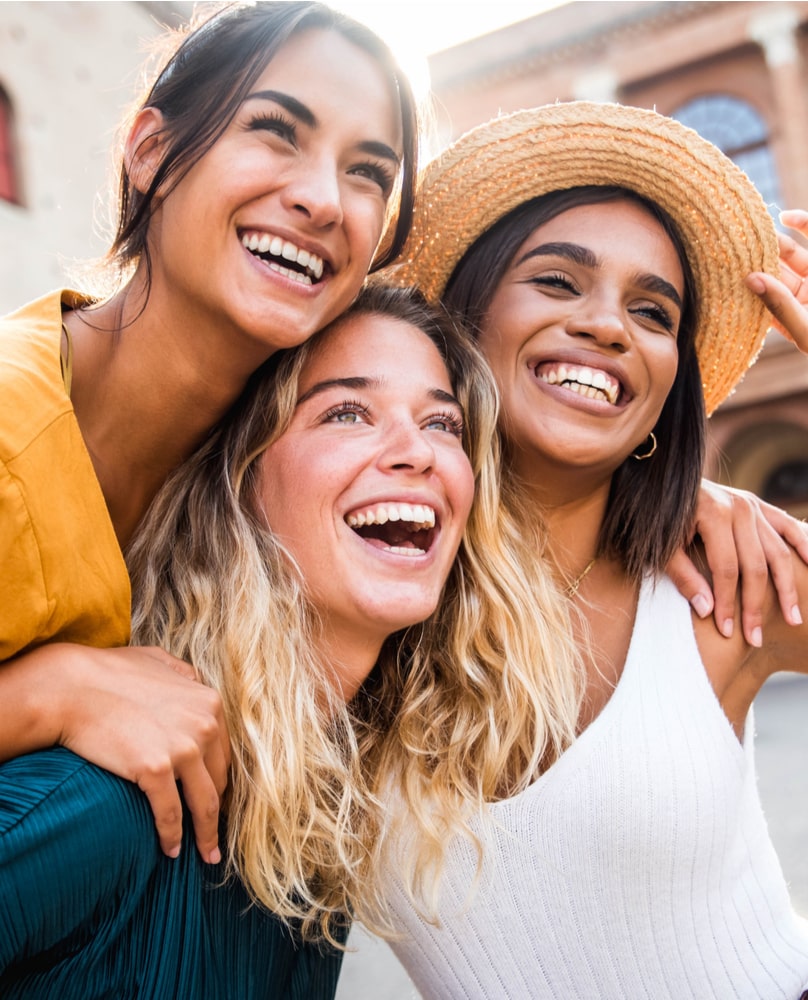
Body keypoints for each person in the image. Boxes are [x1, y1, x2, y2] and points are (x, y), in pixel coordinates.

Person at [0, 284, 581, 997]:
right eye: (346, 412)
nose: (416, 453)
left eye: (443, 424)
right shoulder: (107, 803)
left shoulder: (316, 818)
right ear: (238, 480)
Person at [379, 101, 808, 998]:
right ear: (461, 317)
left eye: (654, 311)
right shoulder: (358, 600)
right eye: (558, 282)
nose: (609, 326)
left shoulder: (724, 589)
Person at [0, 0, 419, 864]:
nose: (322, 199)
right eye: (274, 130)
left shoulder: (286, 458)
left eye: (368, 172)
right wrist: (48, 693)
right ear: (151, 151)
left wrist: (674, 501)